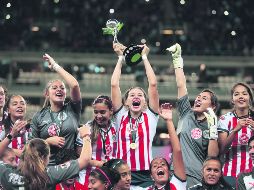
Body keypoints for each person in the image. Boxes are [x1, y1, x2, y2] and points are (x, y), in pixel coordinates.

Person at [166, 43, 219, 188]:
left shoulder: (214, 124)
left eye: (204, 98)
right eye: (198, 96)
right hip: (174, 173)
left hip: (196, 177)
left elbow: (213, 156)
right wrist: (177, 60)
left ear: (212, 106)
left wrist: (213, 128)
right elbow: (181, 85)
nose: (198, 98)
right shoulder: (186, 113)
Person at [111, 43, 159, 188]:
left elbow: (153, 84)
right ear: (125, 102)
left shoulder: (151, 116)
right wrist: (120, 58)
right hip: (120, 172)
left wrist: (144, 57)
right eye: (132, 95)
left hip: (145, 174)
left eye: (140, 95)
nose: (136, 97)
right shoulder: (120, 115)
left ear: (145, 102)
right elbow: (114, 84)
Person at [0, 126, 92, 190]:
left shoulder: (7, 173)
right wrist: (86, 135)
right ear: (45, 157)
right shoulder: (50, 175)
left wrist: (10, 135)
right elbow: (85, 159)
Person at [30, 53, 82, 166]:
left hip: (69, 170)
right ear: (46, 94)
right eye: (54, 88)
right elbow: (30, 147)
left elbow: (74, 85)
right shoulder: (39, 116)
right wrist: (46, 142)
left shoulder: (73, 109)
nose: (59, 90)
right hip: (45, 169)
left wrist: (55, 65)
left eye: (62, 88)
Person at [76, 95, 117, 187]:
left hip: (110, 178)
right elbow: (80, 157)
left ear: (110, 111)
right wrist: (99, 163)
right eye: (96, 112)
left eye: (102, 112)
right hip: (88, 177)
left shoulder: (117, 128)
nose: (98, 116)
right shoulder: (86, 129)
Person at [218, 82, 254, 187]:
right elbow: (222, 150)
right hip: (230, 174)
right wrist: (235, 130)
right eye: (236, 94)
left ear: (250, 98)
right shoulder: (225, 119)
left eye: (244, 93)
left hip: (252, 174)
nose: (241, 96)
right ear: (232, 100)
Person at [148, 103, 187, 190]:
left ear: (169, 172)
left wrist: (169, 121)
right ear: (151, 176)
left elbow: (177, 151)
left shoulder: (177, 183)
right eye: (154, 166)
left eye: (163, 164)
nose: (159, 166)